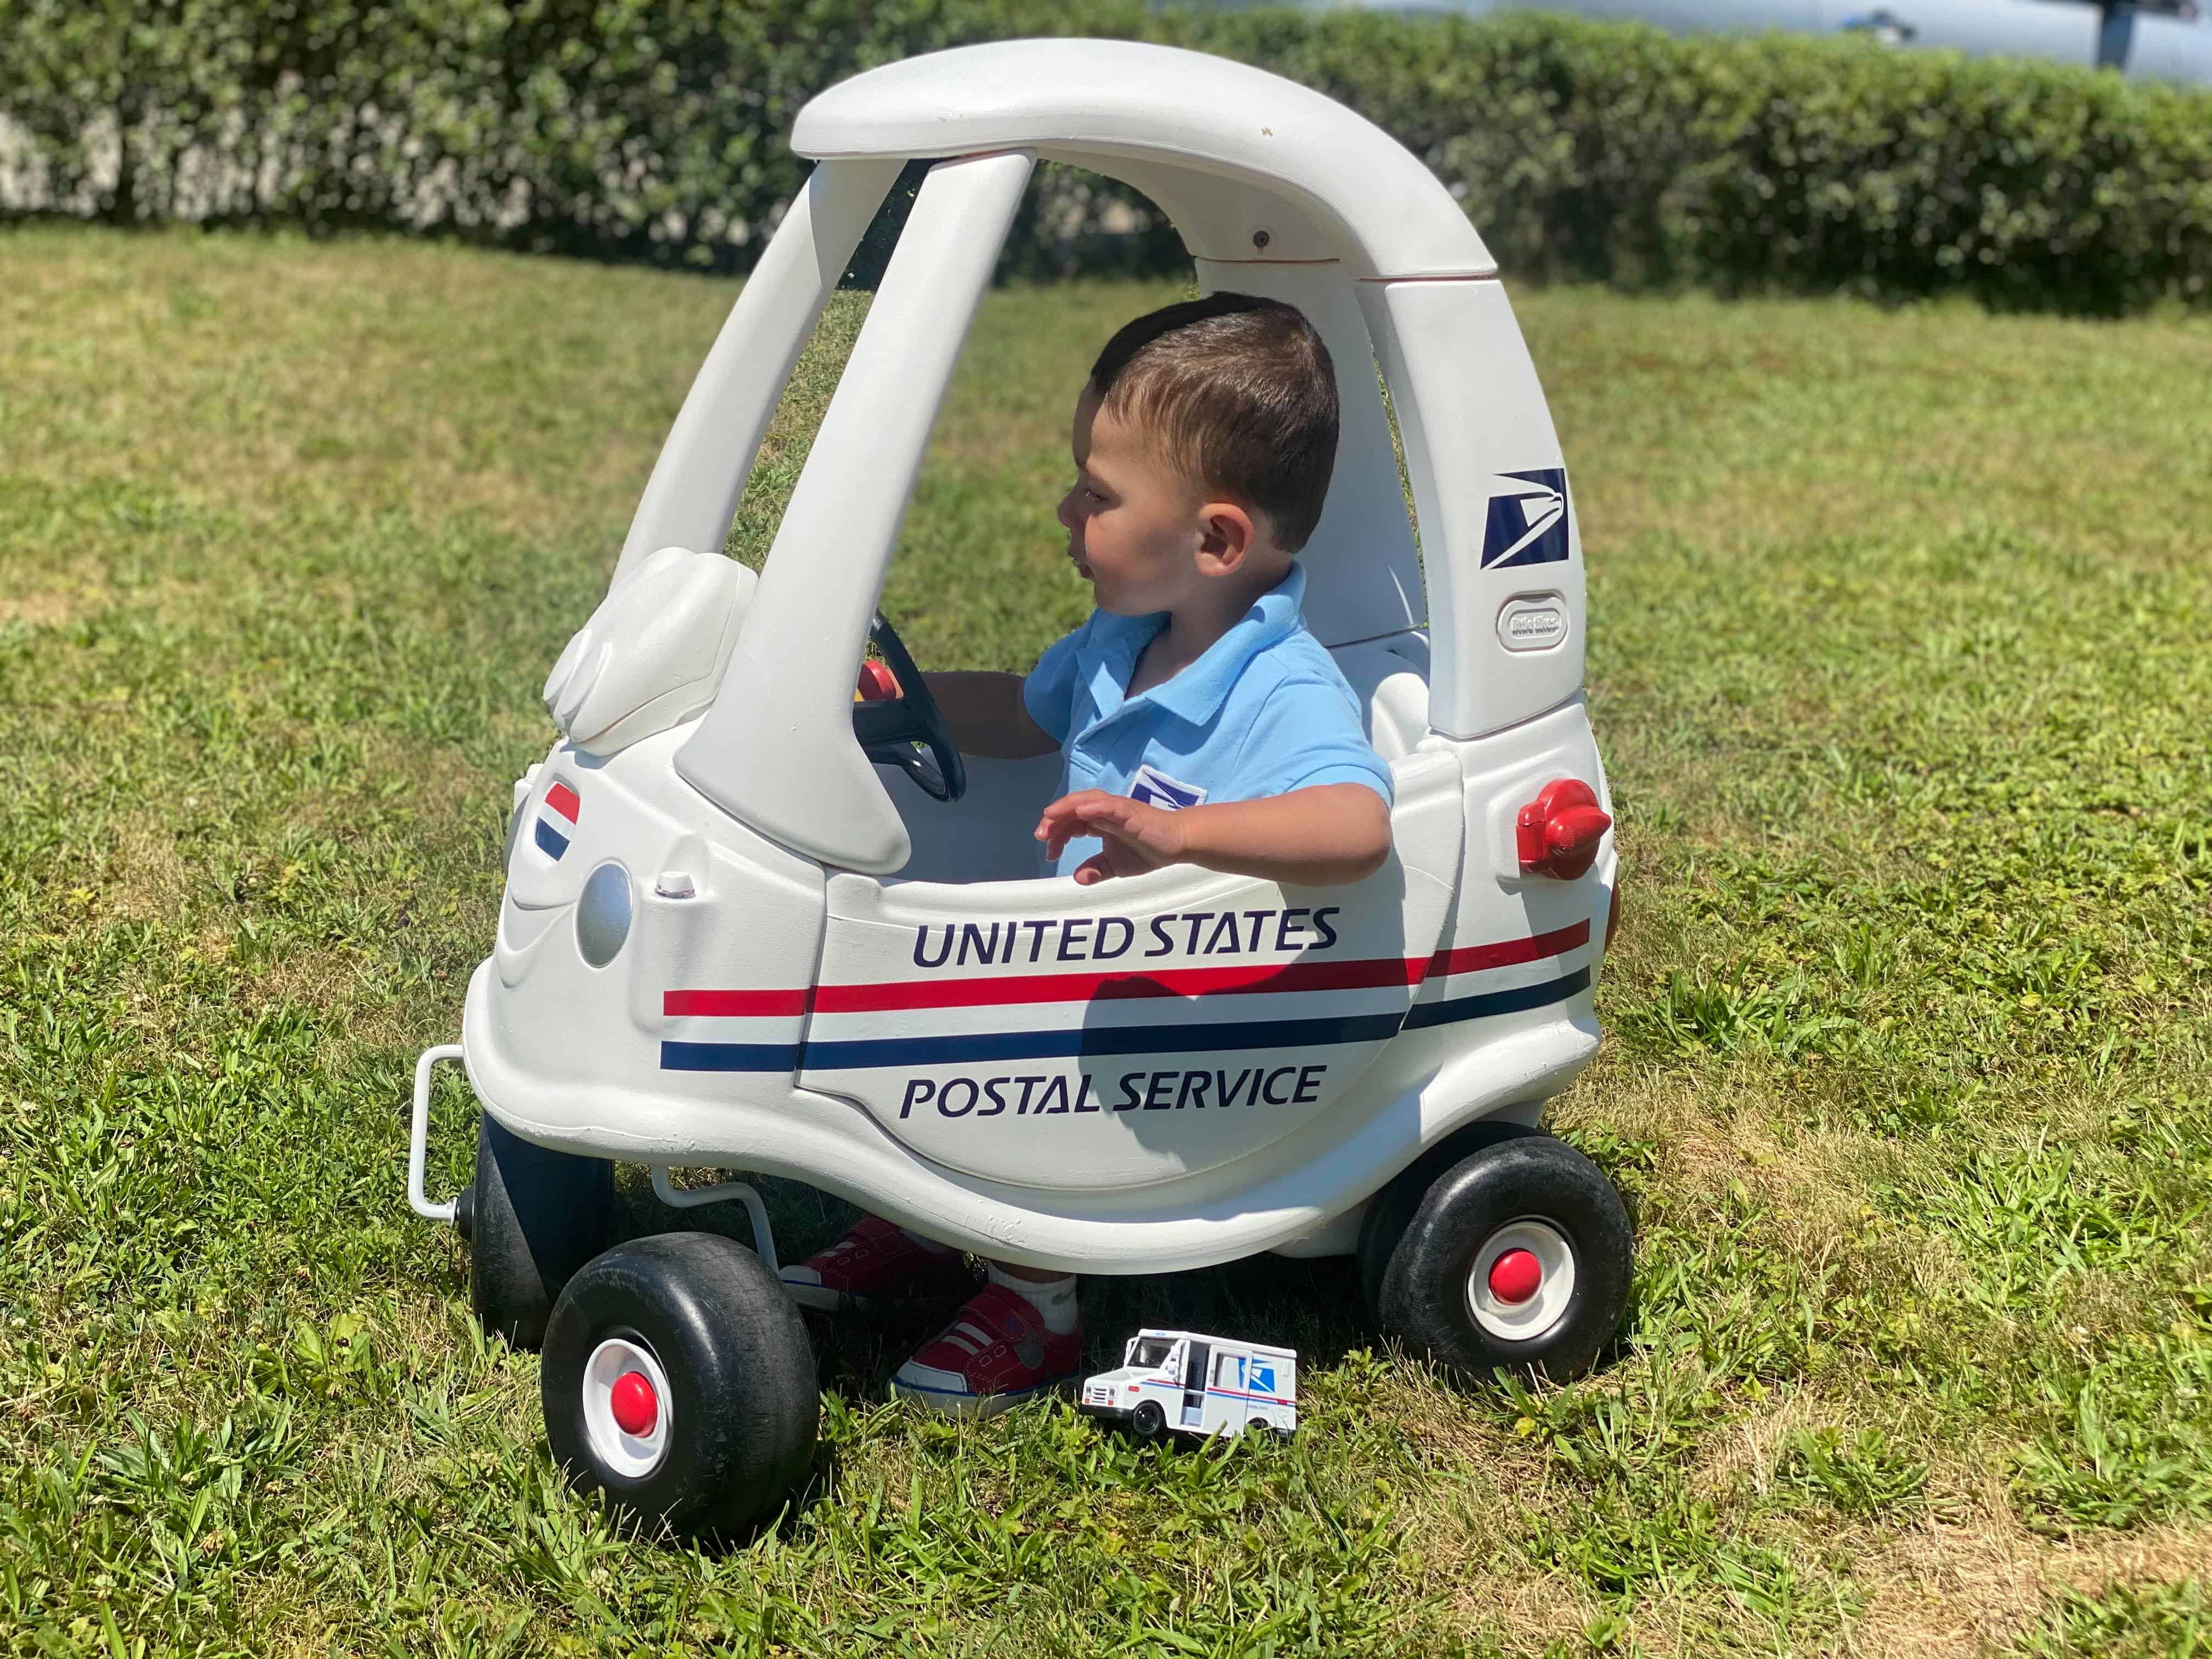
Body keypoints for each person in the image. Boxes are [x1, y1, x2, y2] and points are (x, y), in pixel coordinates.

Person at [781, 293, 1395, 1415]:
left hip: (1196, 1011)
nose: (1065, 511)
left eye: (1099, 495)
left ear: (1215, 540)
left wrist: (1179, 835)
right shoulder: (1124, 640)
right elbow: (1027, 714)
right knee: (936, 994)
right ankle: (926, 1223)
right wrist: (875, 697)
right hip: (1085, 965)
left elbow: (1354, 827)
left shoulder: (1280, 686)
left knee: (1006, 1039)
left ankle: (1038, 1301)